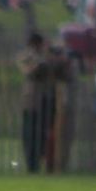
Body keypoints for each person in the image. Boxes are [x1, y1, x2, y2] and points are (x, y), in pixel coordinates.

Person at [17, 32, 60, 172]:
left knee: (42, 134)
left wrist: (50, 58)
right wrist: (42, 62)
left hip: (46, 100)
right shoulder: (26, 56)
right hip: (31, 101)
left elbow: (57, 71)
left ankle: (40, 159)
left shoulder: (48, 56)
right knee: (30, 133)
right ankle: (31, 163)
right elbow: (30, 71)